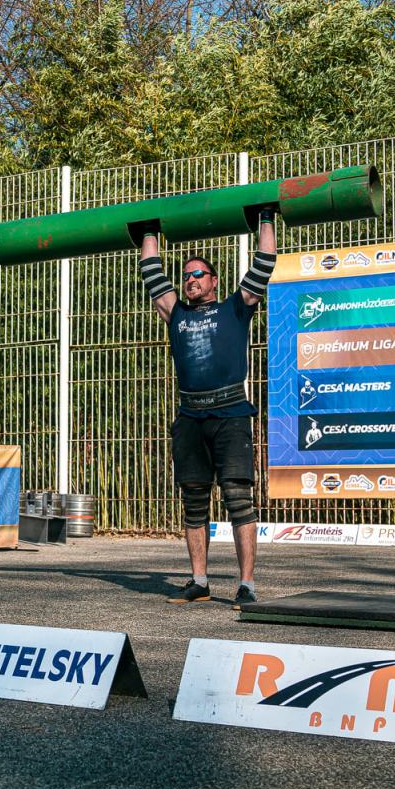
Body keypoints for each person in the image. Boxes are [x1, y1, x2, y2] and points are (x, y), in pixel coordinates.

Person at [140, 209, 276, 605]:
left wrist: (266, 215)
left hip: (231, 415)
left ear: (214, 280)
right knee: (194, 500)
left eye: (199, 274)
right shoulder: (176, 313)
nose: (191, 279)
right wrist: (148, 226)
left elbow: (264, 262)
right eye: (186, 275)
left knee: (238, 498)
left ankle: (246, 585)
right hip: (190, 418)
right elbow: (151, 272)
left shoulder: (236, 307)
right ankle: (199, 581)